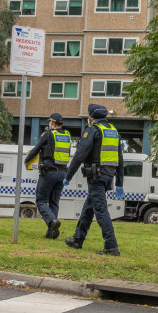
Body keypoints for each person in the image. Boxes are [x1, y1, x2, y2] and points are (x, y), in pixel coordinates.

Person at [63, 104, 124, 255]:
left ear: (91, 117)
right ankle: (78, 240)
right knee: (89, 208)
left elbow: (79, 156)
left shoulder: (92, 130)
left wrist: (68, 176)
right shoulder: (113, 132)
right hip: (108, 176)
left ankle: (111, 245)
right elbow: (120, 160)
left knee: (100, 210)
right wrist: (120, 183)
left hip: (96, 176)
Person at [24, 113, 73, 239]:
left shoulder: (48, 134)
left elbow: (36, 149)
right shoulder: (67, 136)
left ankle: (52, 221)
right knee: (54, 203)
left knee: (40, 200)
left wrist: (26, 160)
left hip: (49, 172)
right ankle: (50, 234)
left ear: (52, 122)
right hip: (62, 173)